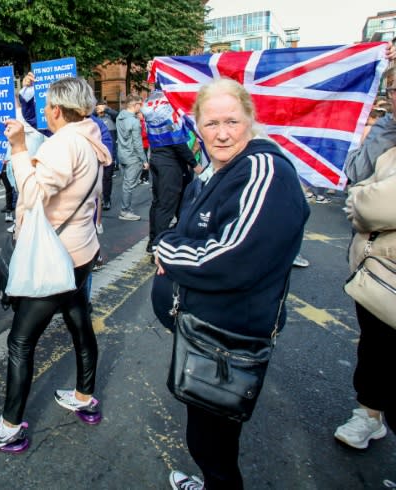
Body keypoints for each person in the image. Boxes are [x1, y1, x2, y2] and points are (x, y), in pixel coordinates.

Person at [151, 78, 308, 489]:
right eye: (211, 123)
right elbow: (190, 230)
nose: (222, 133)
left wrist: (166, 251)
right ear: (197, 127)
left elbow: (231, 258)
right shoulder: (217, 169)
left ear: (251, 121)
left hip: (227, 338)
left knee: (214, 445)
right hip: (203, 332)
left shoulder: (262, 169)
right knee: (208, 438)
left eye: (232, 122)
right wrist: (174, 243)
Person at [0, 76, 111, 451]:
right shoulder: (89, 136)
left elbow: (31, 194)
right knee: (80, 324)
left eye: (47, 106)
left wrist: (17, 149)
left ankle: (10, 427)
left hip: (55, 258)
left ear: (58, 110)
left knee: (20, 341)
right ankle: (85, 397)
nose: (44, 111)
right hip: (81, 252)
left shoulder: (63, 145)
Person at [333, 64, 396, 452]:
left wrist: (364, 200)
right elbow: (354, 178)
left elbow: (371, 205)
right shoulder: (385, 133)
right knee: (375, 347)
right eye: (393, 88)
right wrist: (384, 130)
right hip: (376, 269)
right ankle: (369, 415)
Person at [142, 86, 201, 254]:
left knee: (159, 203)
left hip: (157, 156)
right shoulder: (167, 104)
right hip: (171, 161)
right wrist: (195, 164)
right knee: (167, 205)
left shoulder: (152, 102)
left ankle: (153, 240)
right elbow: (176, 140)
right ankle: (158, 246)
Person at [116, 95, 147, 221]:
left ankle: (126, 209)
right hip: (132, 157)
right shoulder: (134, 122)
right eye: (140, 104)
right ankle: (125, 211)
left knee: (126, 184)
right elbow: (138, 143)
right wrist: (144, 160)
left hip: (122, 155)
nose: (141, 106)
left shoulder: (119, 117)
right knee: (129, 185)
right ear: (135, 105)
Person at [95, 100, 118, 209]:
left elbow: (117, 115)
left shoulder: (111, 118)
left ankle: (107, 199)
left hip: (109, 153)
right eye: (98, 108)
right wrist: (95, 111)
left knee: (107, 178)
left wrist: (107, 109)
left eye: (102, 108)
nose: (101, 110)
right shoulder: (93, 120)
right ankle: (97, 200)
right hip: (95, 154)